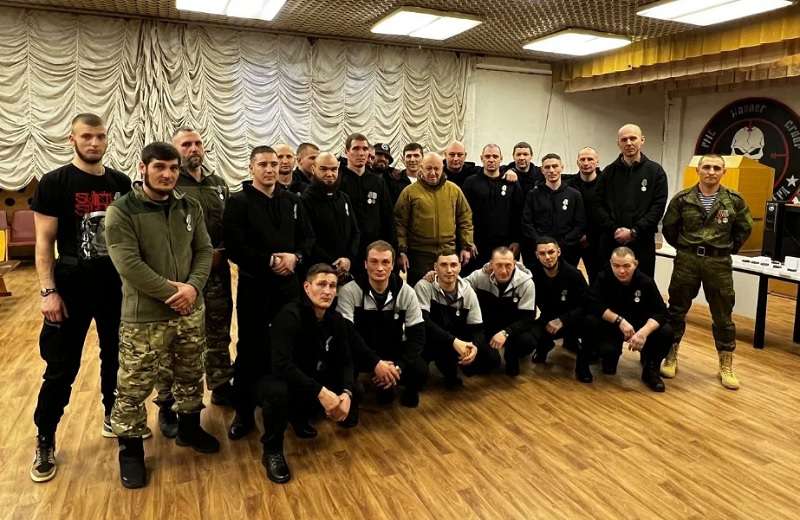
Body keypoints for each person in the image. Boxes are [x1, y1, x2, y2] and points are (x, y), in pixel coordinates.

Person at [105, 142, 218, 489]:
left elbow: (204, 250)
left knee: (190, 373)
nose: (167, 174)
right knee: (133, 385)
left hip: (189, 311)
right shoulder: (122, 211)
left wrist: (193, 288)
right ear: (143, 168)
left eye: (173, 168)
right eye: (159, 167)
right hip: (144, 317)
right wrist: (174, 293)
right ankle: (131, 451)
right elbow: (129, 264)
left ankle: (189, 428)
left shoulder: (190, 206)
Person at [29, 113, 134, 483]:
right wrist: (48, 292)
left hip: (113, 285)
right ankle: (45, 437)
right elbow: (44, 243)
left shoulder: (120, 182)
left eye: (100, 136)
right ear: (71, 139)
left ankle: (113, 415)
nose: (94, 143)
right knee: (61, 367)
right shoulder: (55, 182)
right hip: (70, 284)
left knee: (116, 357)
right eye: (86, 136)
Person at [223, 145, 314, 440]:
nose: (270, 169)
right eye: (263, 164)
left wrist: (296, 258)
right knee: (251, 350)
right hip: (255, 287)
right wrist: (270, 261)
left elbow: (308, 238)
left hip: (289, 287)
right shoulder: (238, 202)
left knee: (294, 346)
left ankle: (298, 413)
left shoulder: (292, 200)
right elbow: (235, 247)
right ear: (251, 167)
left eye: (274, 164)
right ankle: (244, 412)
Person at [149, 127, 233, 441]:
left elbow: (227, 226)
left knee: (219, 330)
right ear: (174, 150)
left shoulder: (218, 183)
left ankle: (221, 384)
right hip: (181, 278)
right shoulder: (168, 185)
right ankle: (167, 404)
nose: (194, 148)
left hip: (217, 274)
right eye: (186, 144)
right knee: (174, 343)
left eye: (198, 143)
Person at [257, 264, 359, 484]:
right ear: (306, 287)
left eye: (332, 286)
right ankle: (272, 450)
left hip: (309, 375)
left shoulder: (335, 319)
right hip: (276, 376)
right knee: (278, 392)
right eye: (321, 284)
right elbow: (281, 365)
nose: (328, 291)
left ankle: (299, 416)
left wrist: (347, 393)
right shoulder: (289, 316)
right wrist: (322, 392)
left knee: (351, 412)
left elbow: (346, 361)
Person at [661, 154, 753, 389]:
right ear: (698, 171)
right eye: (707, 167)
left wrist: (726, 248)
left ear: (724, 172)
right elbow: (669, 228)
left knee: (723, 315)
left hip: (718, 262)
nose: (711, 172)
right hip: (687, 260)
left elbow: (744, 228)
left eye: (716, 168)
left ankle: (726, 364)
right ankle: (670, 355)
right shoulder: (683, 199)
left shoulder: (734, 200)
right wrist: (685, 247)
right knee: (676, 310)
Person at [337, 241, 427, 407]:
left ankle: (394, 382)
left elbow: (418, 335)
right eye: (374, 261)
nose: (379, 268)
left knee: (420, 370)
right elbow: (347, 334)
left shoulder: (407, 292)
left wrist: (398, 367)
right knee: (344, 372)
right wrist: (376, 363)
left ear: (392, 265)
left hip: (392, 352)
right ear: (365, 264)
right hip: (361, 352)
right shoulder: (349, 291)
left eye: (385, 262)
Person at [585, 247, 672, 392]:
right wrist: (619, 321)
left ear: (635, 264)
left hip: (638, 325)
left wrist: (643, 333)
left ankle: (651, 369)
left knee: (666, 331)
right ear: (611, 263)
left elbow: (661, 312)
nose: (621, 271)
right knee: (591, 323)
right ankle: (608, 355)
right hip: (613, 325)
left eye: (626, 266)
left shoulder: (646, 282)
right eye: (616, 266)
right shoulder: (603, 278)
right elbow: (593, 304)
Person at [414, 251, 500, 387]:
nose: (449, 270)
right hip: (431, 340)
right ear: (435, 267)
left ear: (459, 267)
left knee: (492, 359)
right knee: (419, 376)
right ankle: (446, 366)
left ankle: (457, 364)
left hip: (457, 337)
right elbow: (424, 322)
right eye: (444, 265)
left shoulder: (468, 291)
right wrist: (453, 342)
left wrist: (474, 348)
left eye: (453, 265)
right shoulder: (423, 286)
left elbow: (477, 329)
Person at [595, 124, 668, 277]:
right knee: (609, 284)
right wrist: (614, 229)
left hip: (642, 242)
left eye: (633, 138)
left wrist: (635, 231)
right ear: (618, 143)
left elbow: (658, 206)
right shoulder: (608, 173)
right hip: (611, 241)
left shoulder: (655, 172)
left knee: (642, 284)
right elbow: (598, 204)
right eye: (624, 140)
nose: (628, 143)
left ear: (642, 140)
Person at [394, 151, 474, 285]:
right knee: (420, 292)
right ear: (421, 168)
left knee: (446, 292)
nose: (433, 173)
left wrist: (466, 246)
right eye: (429, 168)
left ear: (442, 168)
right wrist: (401, 251)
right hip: (419, 256)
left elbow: (465, 219)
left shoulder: (454, 190)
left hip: (448, 254)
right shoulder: (409, 192)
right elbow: (399, 223)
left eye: (437, 169)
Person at [464, 247, 537, 376]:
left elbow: (528, 317)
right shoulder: (479, 276)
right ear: (491, 264)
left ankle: (511, 355)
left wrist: (506, 332)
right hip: (486, 327)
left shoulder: (527, 283)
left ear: (514, 264)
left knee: (528, 341)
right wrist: (435, 276)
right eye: (499, 265)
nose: (503, 271)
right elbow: (457, 286)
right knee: (490, 362)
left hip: (512, 328)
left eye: (508, 265)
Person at [528, 237, 592, 383]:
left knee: (590, 324)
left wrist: (562, 320)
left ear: (558, 252)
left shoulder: (574, 274)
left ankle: (582, 366)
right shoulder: (531, 274)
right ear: (537, 255)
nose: (547, 257)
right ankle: (544, 347)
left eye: (551, 252)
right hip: (547, 319)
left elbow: (587, 305)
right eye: (542, 253)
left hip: (572, 319)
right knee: (528, 337)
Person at [461, 144, 524, 271]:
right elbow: (463, 215)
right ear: (481, 158)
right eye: (487, 156)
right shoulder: (470, 182)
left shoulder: (511, 182)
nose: (491, 159)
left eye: (495, 156)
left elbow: (519, 213)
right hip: (477, 245)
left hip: (504, 245)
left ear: (501, 159)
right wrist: (467, 242)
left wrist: (516, 241)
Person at [301, 152, 360, 282]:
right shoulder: (305, 200)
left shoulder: (344, 198)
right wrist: (334, 264)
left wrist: (348, 259)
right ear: (313, 169)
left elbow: (355, 232)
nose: (329, 174)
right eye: (323, 169)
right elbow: (308, 239)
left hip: (347, 269)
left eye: (333, 169)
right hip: (319, 272)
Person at [338, 133, 395, 270]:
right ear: (346, 151)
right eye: (356, 148)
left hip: (373, 249)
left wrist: (392, 248)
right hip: (346, 250)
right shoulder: (338, 180)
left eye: (364, 149)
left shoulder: (377, 182)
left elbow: (388, 218)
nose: (361, 153)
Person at [521, 153, 586, 267]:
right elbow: (527, 223)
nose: (551, 170)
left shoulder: (574, 195)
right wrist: (541, 243)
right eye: (547, 167)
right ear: (542, 170)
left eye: (555, 166)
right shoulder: (533, 195)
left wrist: (562, 244)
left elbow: (580, 224)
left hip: (567, 251)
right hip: (541, 251)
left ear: (562, 167)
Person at [567, 147, 604, 282]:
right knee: (568, 278)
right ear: (577, 162)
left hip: (597, 242)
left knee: (597, 279)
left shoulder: (606, 184)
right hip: (572, 241)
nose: (586, 163)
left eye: (590, 159)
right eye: (582, 159)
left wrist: (589, 236)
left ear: (597, 162)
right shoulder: (568, 185)